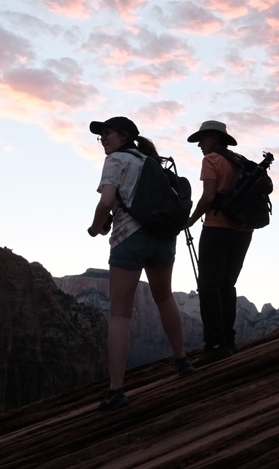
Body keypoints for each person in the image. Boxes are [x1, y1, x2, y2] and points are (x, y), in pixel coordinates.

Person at [88, 116, 193, 411]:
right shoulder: (151, 161)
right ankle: (182, 361)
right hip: (162, 238)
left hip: (129, 239)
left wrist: (97, 227)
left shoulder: (117, 160)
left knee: (120, 314)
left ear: (123, 136)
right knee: (164, 298)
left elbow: (107, 201)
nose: (103, 140)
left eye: (106, 134)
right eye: (101, 136)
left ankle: (116, 390)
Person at [184, 120, 253, 366]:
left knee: (209, 286)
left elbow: (209, 195)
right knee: (228, 285)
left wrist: (190, 220)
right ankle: (229, 341)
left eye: (202, 139)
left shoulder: (211, 160)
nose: (200, 145)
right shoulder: (240, 161)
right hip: (244, 230)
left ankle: (215, 345)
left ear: (214, 138)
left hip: (217, 228)